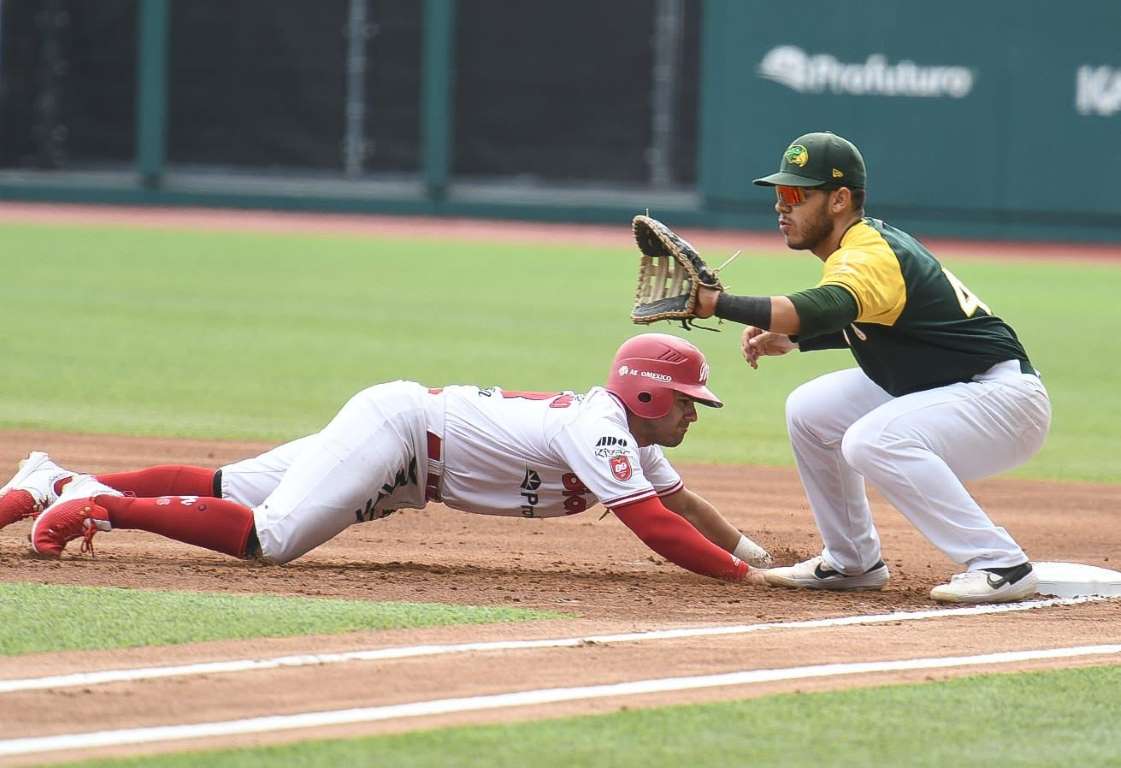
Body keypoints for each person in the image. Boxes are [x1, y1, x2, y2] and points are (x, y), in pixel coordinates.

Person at [0, 333, 772, 584]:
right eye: (684, 402)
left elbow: (682, 508)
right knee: (269, 537)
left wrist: (761, 558)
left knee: (227, 486)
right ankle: (102, 506)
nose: (690, 415)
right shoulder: (602, 434)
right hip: (403, 435)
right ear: (645, 397)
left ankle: (54, 482)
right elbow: (656, 531)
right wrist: (742, 583)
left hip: (408, 445)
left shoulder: (622, 435)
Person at [693, 131, 1051, 604]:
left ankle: (1000, 563)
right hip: (948, 388)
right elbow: (880, 320)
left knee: (874, 439)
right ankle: (852, 561)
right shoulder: (863, 247)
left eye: (796, 195)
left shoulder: (868, 254)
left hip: (1001, 402)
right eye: (779, 195)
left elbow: (819, 307)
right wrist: (796, 339)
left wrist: (716, 304)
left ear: (840, 199)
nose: (782, 207)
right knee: (811, 410)